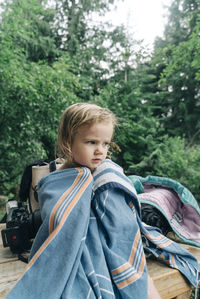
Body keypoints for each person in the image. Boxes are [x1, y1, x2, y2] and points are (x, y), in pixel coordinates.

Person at [56, 102, 161, 299]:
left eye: (105, 144)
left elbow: (121, 222)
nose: (100, 151)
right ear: (67, 142)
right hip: (82, 247)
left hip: (114, 244)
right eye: (91, 142)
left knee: (146, 286)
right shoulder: (59, 177)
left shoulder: (106, 173)